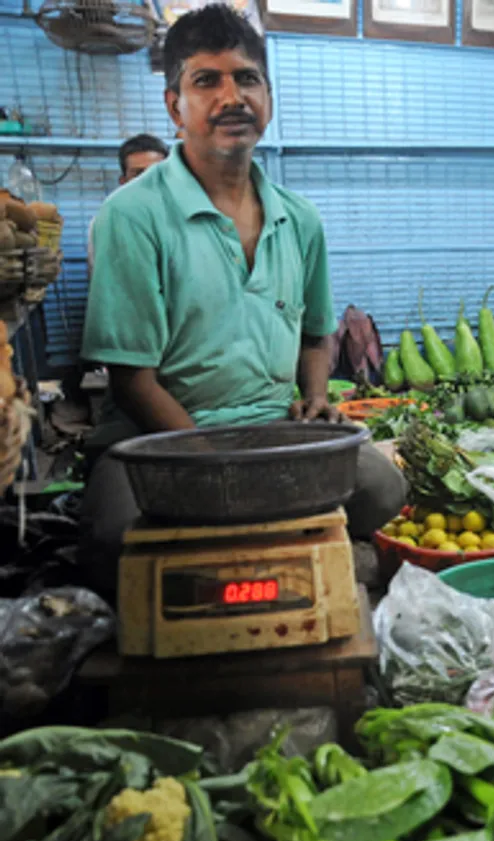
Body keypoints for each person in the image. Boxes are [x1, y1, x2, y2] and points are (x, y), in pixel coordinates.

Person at [78, 4, 406, 591]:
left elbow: (313, 335)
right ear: (175, 106)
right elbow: (133, 381)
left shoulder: (299, 219)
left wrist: (312, 398)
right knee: (112, 540)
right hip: (158, 441)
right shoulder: (132, 216)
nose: (233, 96)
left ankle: (281, 559)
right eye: (207, 80)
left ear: (269, 98)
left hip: (277, 430)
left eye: (247, 78)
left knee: (386, 489)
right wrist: (213, 466)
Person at [86, 134, 169, 276]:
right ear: (123, 181)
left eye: (155, 172)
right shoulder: (106, 223)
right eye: (138, 174)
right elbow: (102, 280)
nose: (148, 180)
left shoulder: (187, 219)